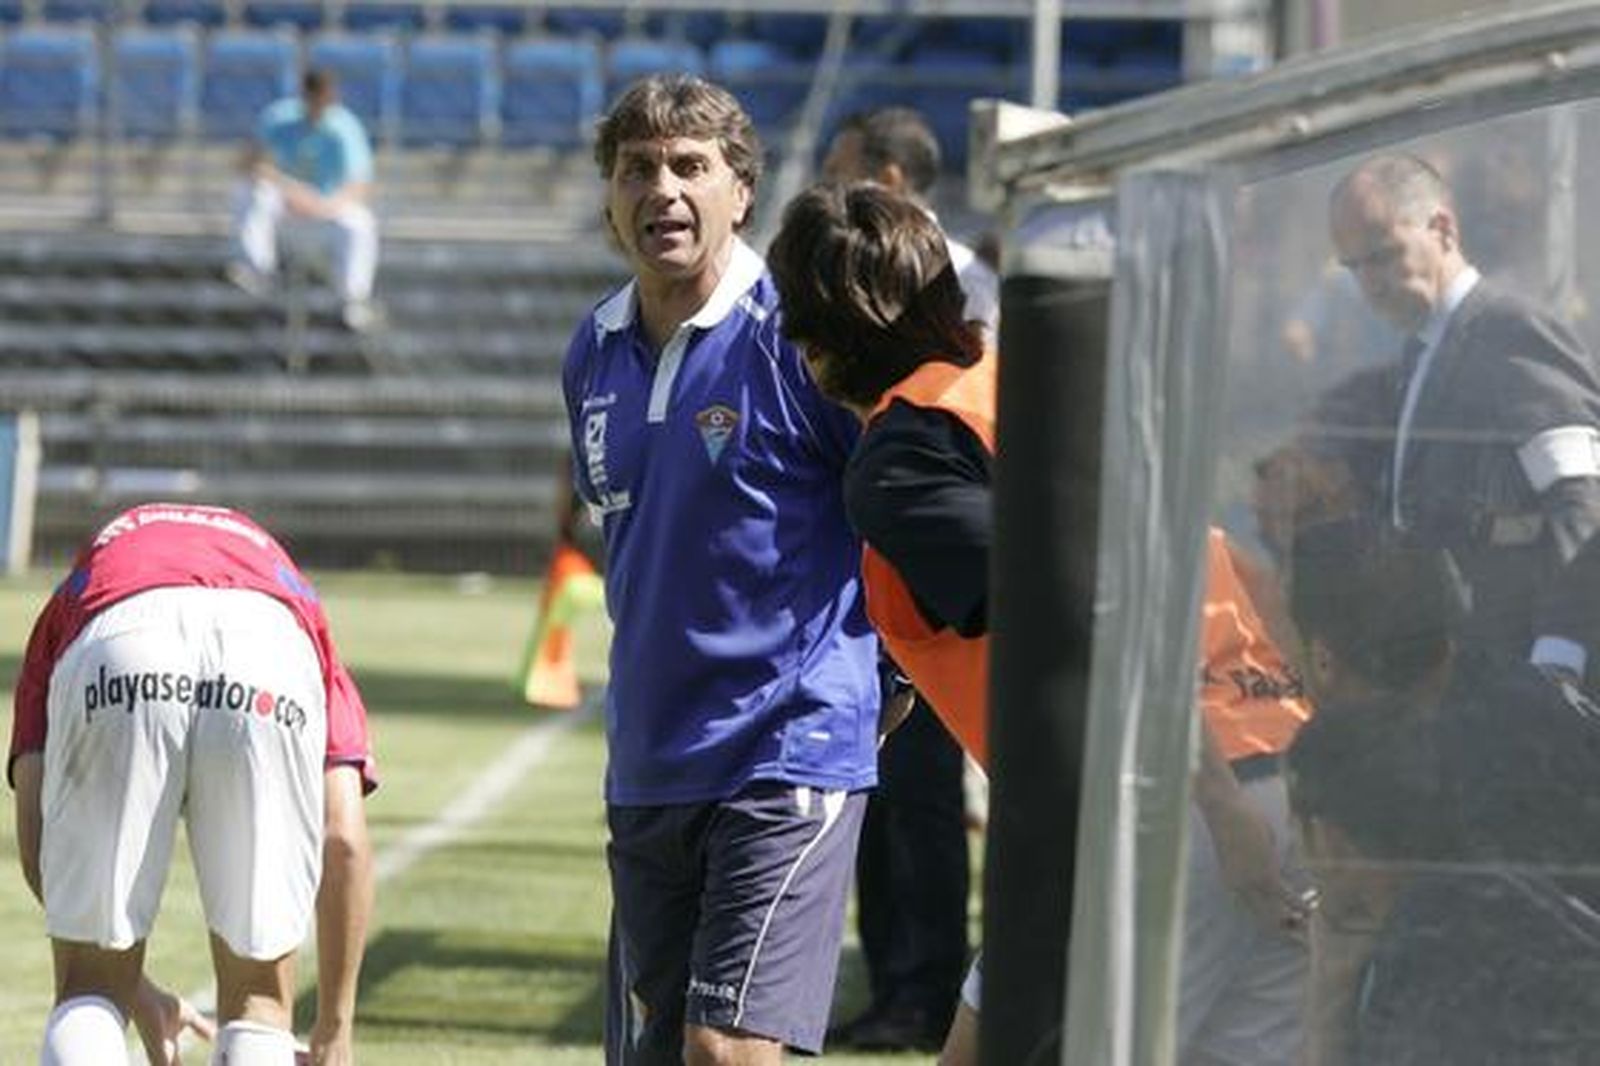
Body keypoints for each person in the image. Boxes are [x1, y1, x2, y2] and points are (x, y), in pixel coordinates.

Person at [770, 181, 1315, 1066]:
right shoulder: (1029, 384)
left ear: (816, 341)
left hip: (1170, 807)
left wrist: (1221, 812)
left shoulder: (905, 454)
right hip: (1282, 767)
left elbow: (1091, 617)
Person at [561, 76, 880, 1065]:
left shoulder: (803, 334)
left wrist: (891, 679)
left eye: (690, 166)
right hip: (651, 756)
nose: (663, 188)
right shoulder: (591, 349)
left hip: (787, 744)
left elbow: (902, 505)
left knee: (727, 1048)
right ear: (611, 196)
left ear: (741, 191)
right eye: (638, 169)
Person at [8, 502, 377, 1066]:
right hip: (267, 653)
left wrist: (127, 989)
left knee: (89, 990)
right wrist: (334, 1031)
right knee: (259, 1001)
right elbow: (344, 840)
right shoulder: (299, 599)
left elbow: (43, 844)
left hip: (117, 636)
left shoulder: (72, 593)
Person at [815, 105, 984, 1054]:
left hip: (943, 578)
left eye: (840, 171)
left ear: (883, 177)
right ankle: (899, 983)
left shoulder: (959, 277)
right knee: (879, 796)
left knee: (920, 802)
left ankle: (924, 987)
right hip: (897, 572)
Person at [1326, 152, 1600, 685]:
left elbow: (1584, 502)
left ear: (1443, 228)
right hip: (1459, 679)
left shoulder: (1507, 331)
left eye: (1382, 255)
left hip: (1523, 676)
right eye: (1353, 266)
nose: (1370, 283)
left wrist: (1560, 655)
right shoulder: (1421, 354)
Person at [821, 106, 1000, 344]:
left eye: (836, 174)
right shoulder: (833, 269)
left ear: (888, 180)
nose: (823, 190)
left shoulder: (963, 277)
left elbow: (981, 375)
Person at [230, 68, 381, 333]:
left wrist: (326, 205)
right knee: (251, 193)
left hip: (325, 214)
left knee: (360, 223)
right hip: (284, 215)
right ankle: (257, 269)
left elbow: (361, 184)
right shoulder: (278, 118)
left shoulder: (345, 126)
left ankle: (353, 300)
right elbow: (249, 164)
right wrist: (291, 190)